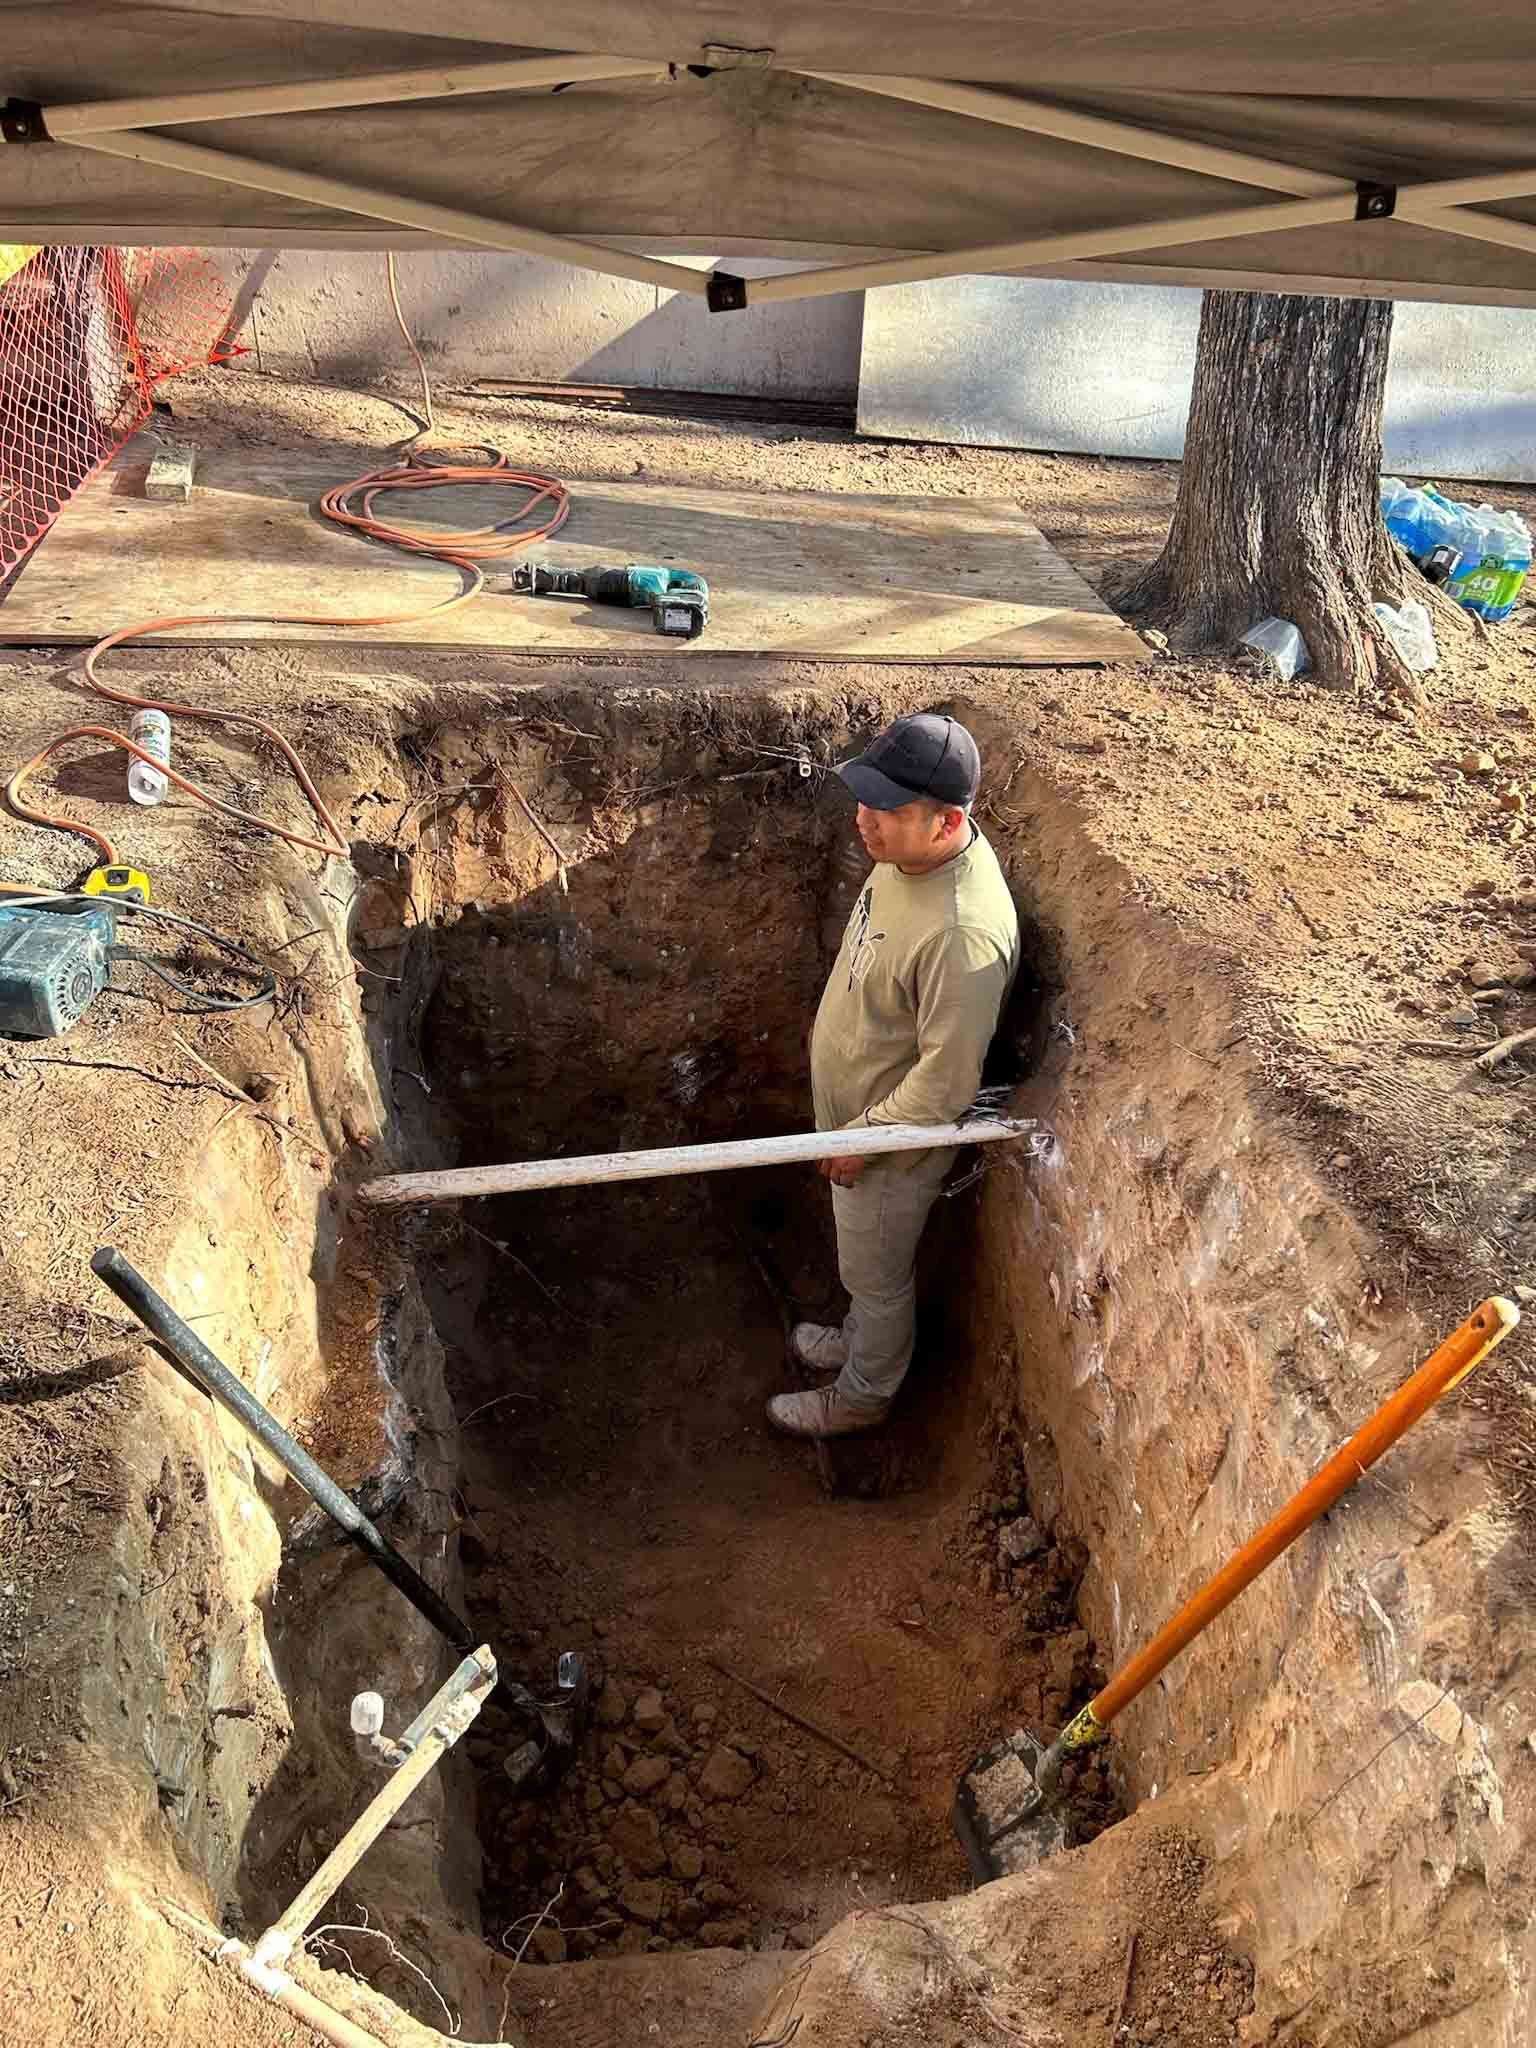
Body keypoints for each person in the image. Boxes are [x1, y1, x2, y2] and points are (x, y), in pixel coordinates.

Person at [767, 712, 1020, 1441]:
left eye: (885, 810)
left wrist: (864, 1138)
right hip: (856, 1120)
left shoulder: (961, 933)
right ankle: (855, 1338)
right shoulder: (907, 856)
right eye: (865, 800)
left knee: (878, 1281)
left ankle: (861, 1398)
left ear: (946, 823)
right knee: (862, 1269)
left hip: (887, 1147)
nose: (864, 821)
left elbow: (944, 1088)